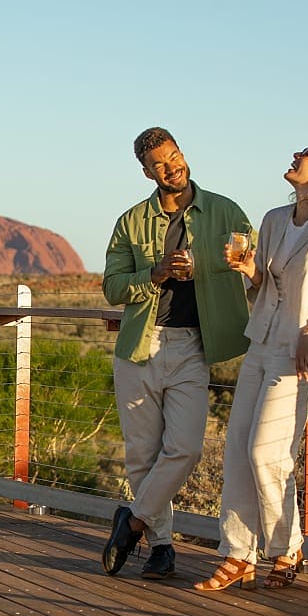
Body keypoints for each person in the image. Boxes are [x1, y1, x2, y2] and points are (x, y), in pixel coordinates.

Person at [195, 141, 308, 592]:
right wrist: (248, 268)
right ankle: (237, 554)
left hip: (301, 353)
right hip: (263, 342)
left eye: (307, 152)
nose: (296, 155)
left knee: (267, 453)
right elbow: (265, 286)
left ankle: (287, 547)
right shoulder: (273, 219)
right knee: (237, 449)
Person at [102, 127, 253, 579]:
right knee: (142, 456)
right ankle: (161, 547)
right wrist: (155, 273)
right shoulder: (131, 222)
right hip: (140, 346)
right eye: (160, 165)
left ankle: (131, 523)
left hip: (192, 345)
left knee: (185, 449)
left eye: (174, 157)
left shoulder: (225, 211)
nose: (172, 168)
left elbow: (258, 261)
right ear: (146, 172)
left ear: (182, 154)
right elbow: (112, 287)